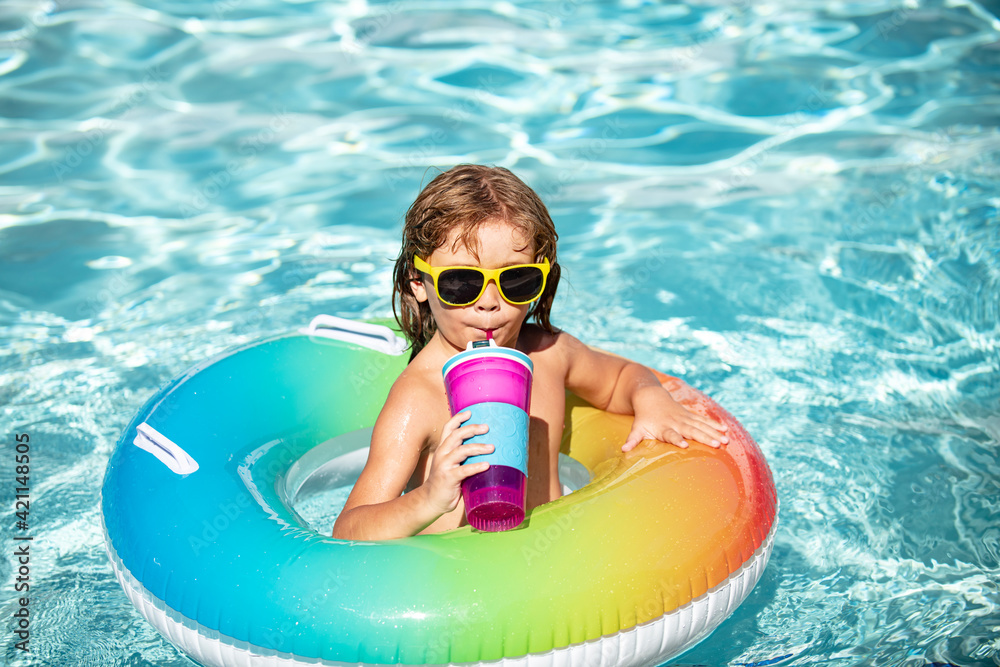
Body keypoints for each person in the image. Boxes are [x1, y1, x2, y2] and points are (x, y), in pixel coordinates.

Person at [332, 165, 728, 540]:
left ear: (542, 276)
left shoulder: (550, 354)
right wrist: (427, 499)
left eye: (516, 280)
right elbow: (349, 530)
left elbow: (621, 377)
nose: (489, 303)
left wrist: (652, 398)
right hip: (459, 582)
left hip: (546, 562)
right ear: (418, 283)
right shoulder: (419, 397)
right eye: (461, 283)